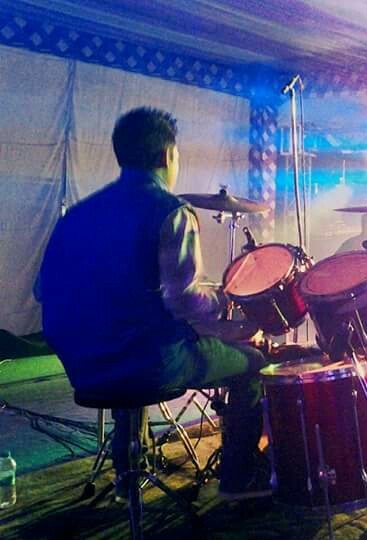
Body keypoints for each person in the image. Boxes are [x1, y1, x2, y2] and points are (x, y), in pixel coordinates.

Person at [35, 107, 270, 500]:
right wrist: (224, 300)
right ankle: (240, 477)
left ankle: (128, 474)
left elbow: (42, 290)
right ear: (167, 155)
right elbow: (184, 301)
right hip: (146, 364)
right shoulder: (171, 211)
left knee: (128, 335)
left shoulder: (75, 216)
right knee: (252, 363)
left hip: (83, 368)